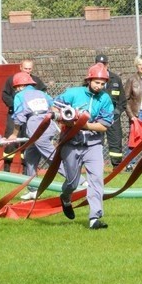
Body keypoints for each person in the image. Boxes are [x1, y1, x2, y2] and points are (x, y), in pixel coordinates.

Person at [54, 64, 114, 230]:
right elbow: (54, 106)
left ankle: (95, 218)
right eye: (96, 82)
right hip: (71, 143)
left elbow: (104, 126)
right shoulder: (73, 92)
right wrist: (64, 117)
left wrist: (84, 125)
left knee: (96, 179)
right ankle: (65, 198)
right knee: (72, 182)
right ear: (89, 79)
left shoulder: (105, 99)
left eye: (102, 84)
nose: (99, 86)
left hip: (93, 144)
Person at [9, 71, 62, 200]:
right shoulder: (41, 93)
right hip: (48, 123)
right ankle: (33, 189)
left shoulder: (20, 96)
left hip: (35, 125)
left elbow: (19, 117)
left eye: (16, 88)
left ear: (20, 86)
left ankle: (78, 181)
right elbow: (54, 106)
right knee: (30, 156)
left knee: (51, 156)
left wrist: (14, 134)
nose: (16, 90)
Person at [0, 58, 46, 172]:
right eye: (25, 68)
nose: (27, 71)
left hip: (30, 117)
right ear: (20, 67)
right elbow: (5, 95)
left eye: (30, 69)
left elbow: (43, 94)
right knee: (11, 141)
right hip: (14, 115)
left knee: (27, 141)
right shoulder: (12, 80)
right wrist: (16, 106)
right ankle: (6, 168)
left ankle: (26, 170)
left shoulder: (37, 81)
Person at [94, 54, 127, 168]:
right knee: (97, 141)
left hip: (113, 117)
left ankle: (117, 167)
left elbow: (122, 100)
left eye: (104, 64)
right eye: (99, 64)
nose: (102, 66)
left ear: (107, 65)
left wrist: (117, 112)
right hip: (97, 117)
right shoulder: (92, 79)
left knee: (115, 141)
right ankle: (97, 165)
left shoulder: (115, 79)